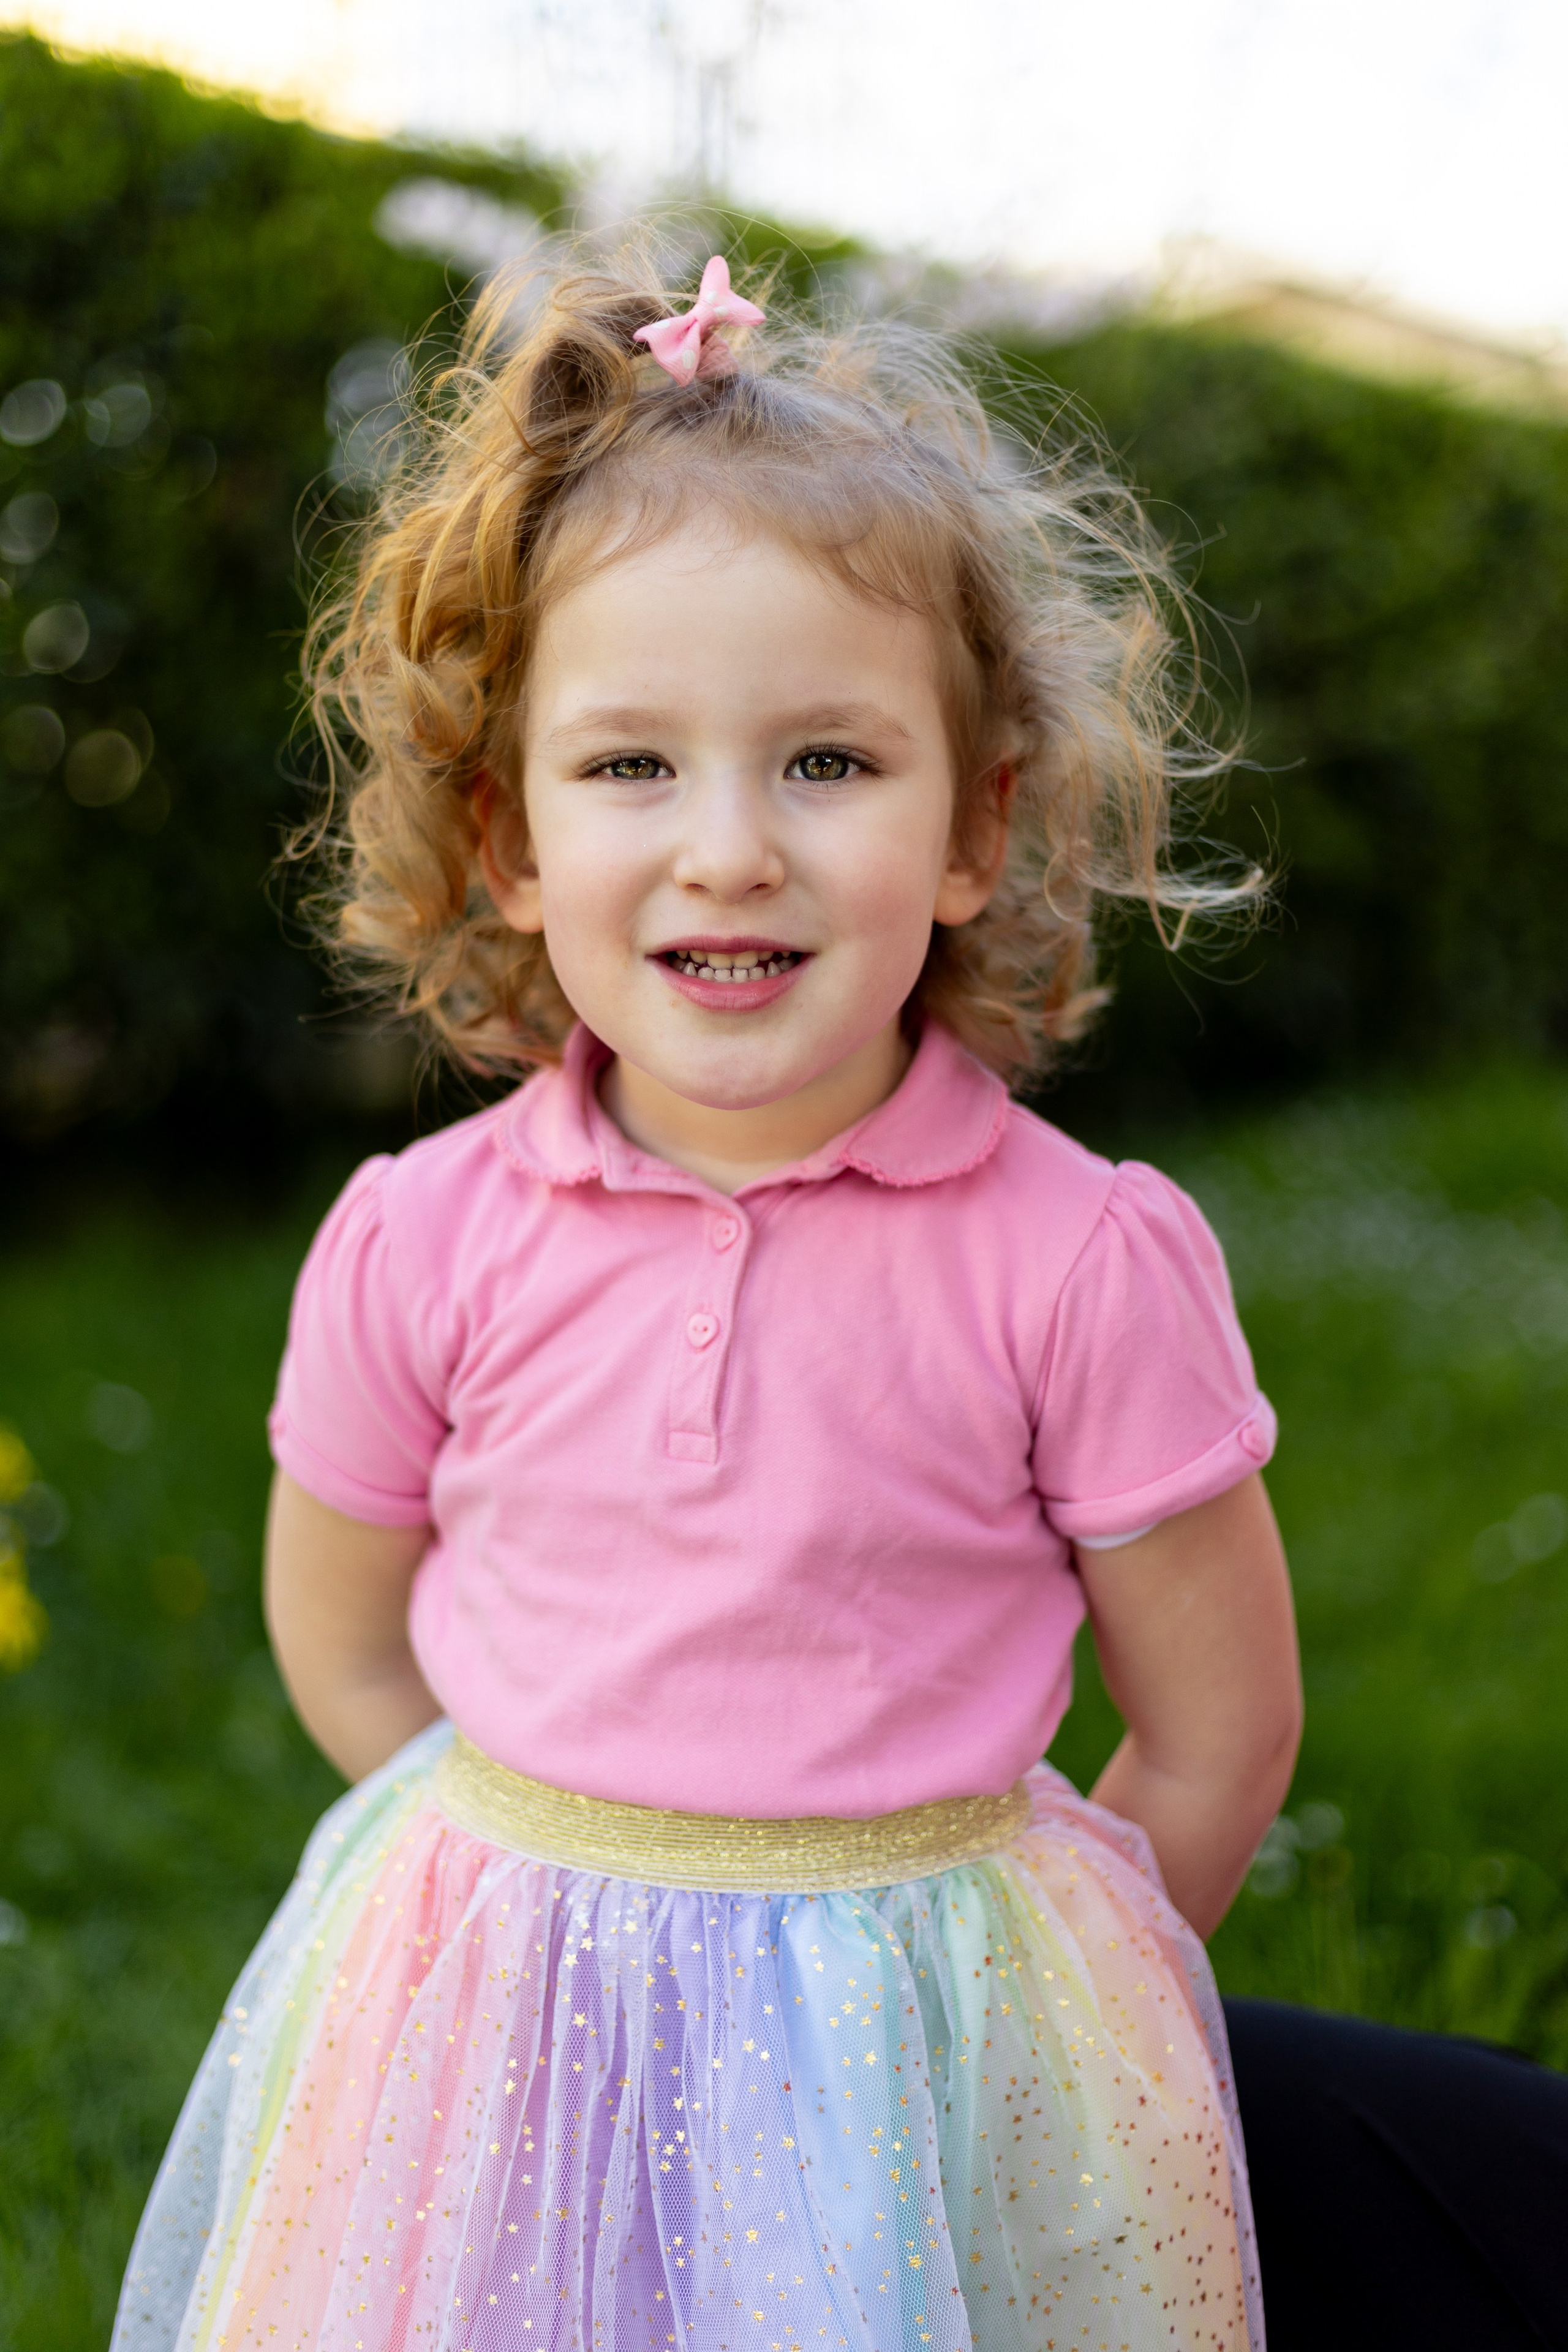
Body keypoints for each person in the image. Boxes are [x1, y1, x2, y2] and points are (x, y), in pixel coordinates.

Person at [112, 249, 1303, 2352]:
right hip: (507, 2050)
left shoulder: (1078, 1259)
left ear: (976, 827)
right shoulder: (423, 1237)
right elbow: (343, 1629)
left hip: (897, 2069)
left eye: (828, 764)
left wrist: (1038, 2020)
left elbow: (1216, 1734)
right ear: (507, 836)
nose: (730, 849)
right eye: (631, 767)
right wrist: (519, 1894)